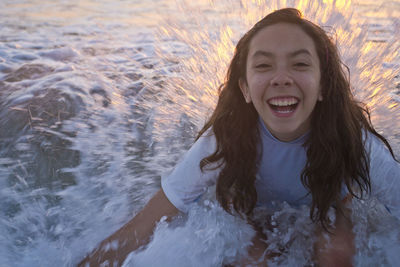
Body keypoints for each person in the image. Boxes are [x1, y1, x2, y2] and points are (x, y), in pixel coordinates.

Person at [79, 8, 400, 267]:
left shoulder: (353, 140)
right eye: (263, 65)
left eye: (300, 64)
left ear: (324, 86)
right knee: (252, 260)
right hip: (250, 207)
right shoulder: (224, 141)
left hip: (325, 204)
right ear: (245, 88)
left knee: (336, 257)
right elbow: (144, 226)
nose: (281, 78)